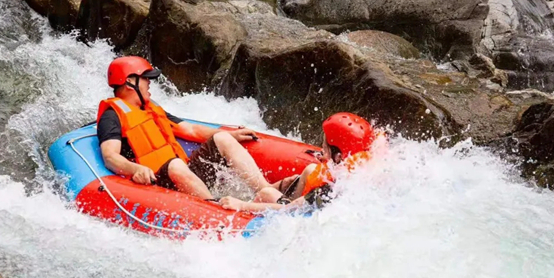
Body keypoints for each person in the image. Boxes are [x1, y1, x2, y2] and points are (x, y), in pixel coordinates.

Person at [97, 56, 272, 200]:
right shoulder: (111, 116)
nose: (149, 83)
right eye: (145, 78)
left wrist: (232, 134)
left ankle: (266, 191)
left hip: (184, 173)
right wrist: (137, 169)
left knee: (223, 138)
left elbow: (190, 130)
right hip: (157, 181)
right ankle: (215, 208)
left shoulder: (151, 109)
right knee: (175, 165)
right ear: (129, 82)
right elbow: (110, 156)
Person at [219, 112, 380, 212]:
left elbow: (290, 210)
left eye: (325, 147)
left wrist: (242, 205)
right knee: (311, 169)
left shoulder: (329, 190)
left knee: (266, 193)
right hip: (318, 208)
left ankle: (245, 218)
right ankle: (286, 194)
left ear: (338, 157)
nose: (321, 149)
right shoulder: (362, 171)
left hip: (305, 217)